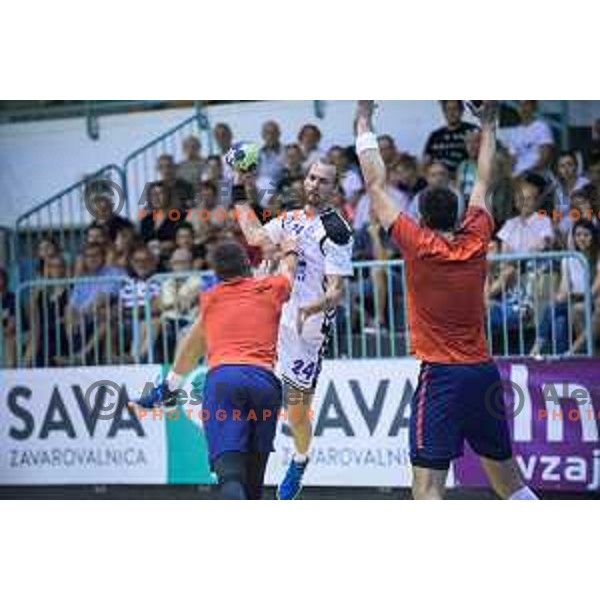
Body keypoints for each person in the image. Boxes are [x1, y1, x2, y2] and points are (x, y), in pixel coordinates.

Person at [355, 100, 537, 500]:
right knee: (510, 483)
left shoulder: (416, 243)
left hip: (442, 378)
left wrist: (365, 119)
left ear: (420, 217)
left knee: (427, 490)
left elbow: (373, 186)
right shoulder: (475, 236)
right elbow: (484, 182)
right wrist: (488, 124)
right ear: (458, 215)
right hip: (483, 374)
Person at [132, 239, 298, 500]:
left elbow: (192, 346)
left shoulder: (210, 298)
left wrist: (170, 386)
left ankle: (167, 390)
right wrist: (290, 249)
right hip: (265, 383)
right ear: (248, 265)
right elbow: (288, 272)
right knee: (254, 486)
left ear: (216, 273)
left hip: (224, 381)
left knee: (231, 476)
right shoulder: (271, 287)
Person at [233, 158, 354, 500]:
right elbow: (254, 235)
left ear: (334, 188)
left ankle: (300, 460)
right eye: (312, 178)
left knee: (297, 414)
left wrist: (312, 307)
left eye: (323, 181)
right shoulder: (289, 219)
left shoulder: (337, 230)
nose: (315, 185)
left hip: (307, 333)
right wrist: (237, 185)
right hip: (274, 317)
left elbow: (335, 292)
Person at [423, 100, 479, 176]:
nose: (451, 113)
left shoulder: (472, 131)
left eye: (455, 109)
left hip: (463, 177)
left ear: (462, 110)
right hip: (437, 178)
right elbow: (425, 163)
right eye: (448, 109)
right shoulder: (434, 135)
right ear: (444, 112)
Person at [500, 100, 555, 176]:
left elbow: (545, 158)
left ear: (534, 107)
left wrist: (527, 172)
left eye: (526, 104)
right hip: (518, 177)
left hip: (537, 176)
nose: (523, 108)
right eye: (520, 105)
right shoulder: (515, 132)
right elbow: (512, 158)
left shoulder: (542, 127)